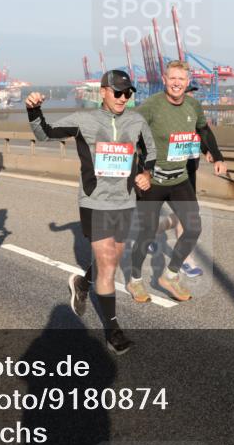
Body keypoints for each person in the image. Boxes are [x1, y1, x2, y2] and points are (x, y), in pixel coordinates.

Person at [26, 70, 156, 355]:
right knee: (109, 262)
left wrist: (146, 173)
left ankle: (82, 282)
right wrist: (33, 110)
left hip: (124, 201)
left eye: (128, 93)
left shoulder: (136, 120)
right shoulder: (83, 120)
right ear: (103, 92)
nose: (124, 98)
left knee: (109, 258)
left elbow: (150, 152)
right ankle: (113, 331)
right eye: (118, 92)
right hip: (94, 201)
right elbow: (44, 134)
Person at [128, 60, 228, 303]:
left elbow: (203, 130)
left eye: (181, 79)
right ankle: (135, 280)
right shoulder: (152, 106)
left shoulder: (193, 105)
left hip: (180, 178)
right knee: (147, 233)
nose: (176, 83)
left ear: (187, 82)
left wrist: (216, 155)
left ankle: (170, 275)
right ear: (164, 79)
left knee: (193, 228)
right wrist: (137, 174)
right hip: (152, 180)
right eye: (172, 78)